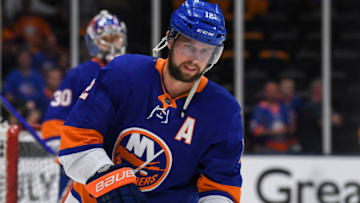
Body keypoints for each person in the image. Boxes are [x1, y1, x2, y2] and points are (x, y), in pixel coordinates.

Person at [58, 0, 243, 203]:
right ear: (170, 39)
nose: (195, 59)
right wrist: (111, 183)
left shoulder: (223, 111)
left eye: (205, 51)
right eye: (189, 46)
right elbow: (74, 145)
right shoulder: (124, 72)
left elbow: (221, 189)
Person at [40, 10, 127, 201]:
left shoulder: (131, 71)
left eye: (117, 38)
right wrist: (64, 148)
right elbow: (56, 117)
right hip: (81, 159)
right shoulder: (80, 74)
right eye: (107, 39)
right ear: (94, 42)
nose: (113, 44)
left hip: (117, 159)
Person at [250, 81, 296, 153]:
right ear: (265, 92)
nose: (272, 94)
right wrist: (273, 132)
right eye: (269, 91)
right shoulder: (259, 108)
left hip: (284, 147)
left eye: (274, 91)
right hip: (265, 148)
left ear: (278, 92)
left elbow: (292, 128)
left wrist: (285, 129)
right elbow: (255, 130)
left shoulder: (285, 107)